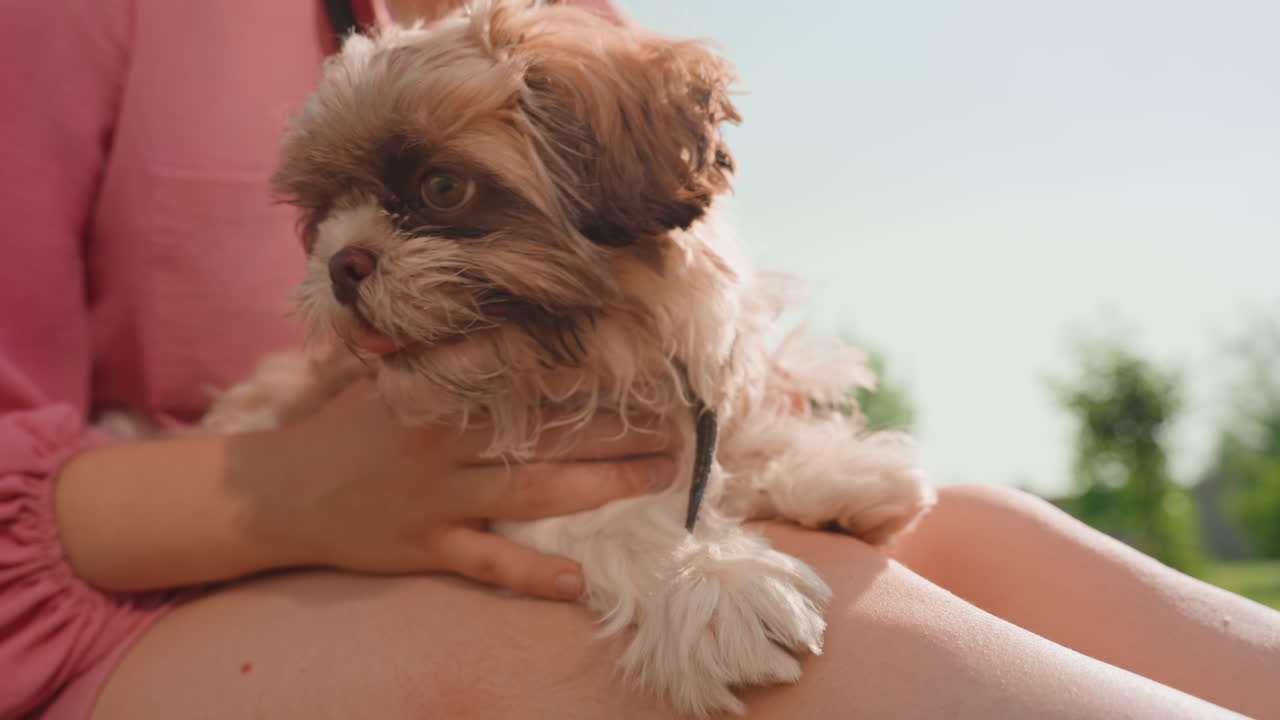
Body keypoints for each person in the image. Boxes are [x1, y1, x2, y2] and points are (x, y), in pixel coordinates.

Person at [2, 1, 1277, 719]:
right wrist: (297, 490)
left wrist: (759, 445)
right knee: (840, 642)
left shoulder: (579, 43)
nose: (344, 253)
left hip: (605, 504)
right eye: (318, 222)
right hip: (150, 606)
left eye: (438, 187)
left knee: (988, 530)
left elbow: (681, 340)